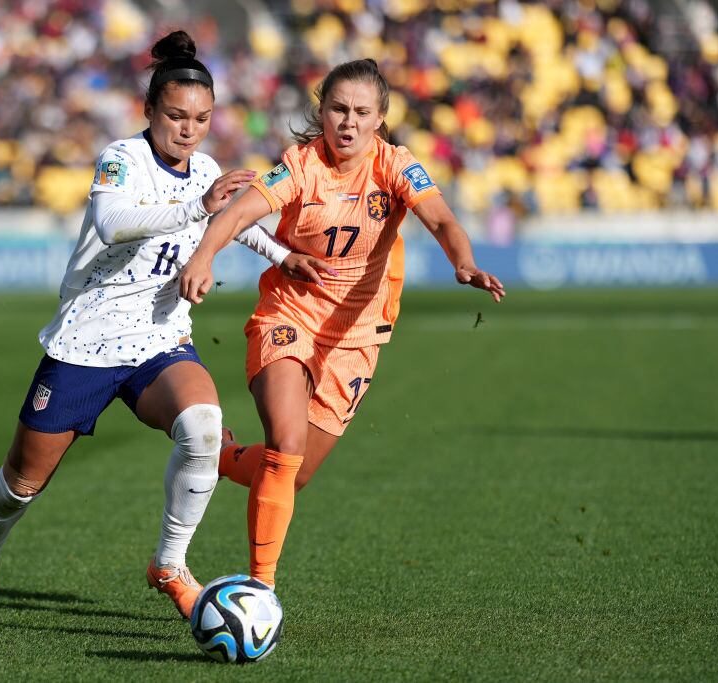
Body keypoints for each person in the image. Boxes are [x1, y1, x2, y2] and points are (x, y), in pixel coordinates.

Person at [0, 31, 302, 625]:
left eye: (201, 119)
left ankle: (170, 565)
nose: (188, 130)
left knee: (203, 428)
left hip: (159, 339)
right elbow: (112, 222)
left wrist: (284, 256)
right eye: (176, 116)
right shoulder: (122, 158)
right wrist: (198, 206)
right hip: (86, 343)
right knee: (18, 487)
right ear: (149, 109)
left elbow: (234, 220)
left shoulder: (206, 169)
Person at [179, 58, 506, 589]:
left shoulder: (395, 166)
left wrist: (463, 263)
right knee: (286, 446)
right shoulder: (300, 165)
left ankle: (220, 456)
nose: (348, 122)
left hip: (355, 339)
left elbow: (442, 219)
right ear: (322, 112)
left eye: (361, 112)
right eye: (337, 109)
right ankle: (260, 589)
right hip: (290, 315)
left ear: (380, 118)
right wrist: (203, 258)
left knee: (295, 473)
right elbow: (237, 213)